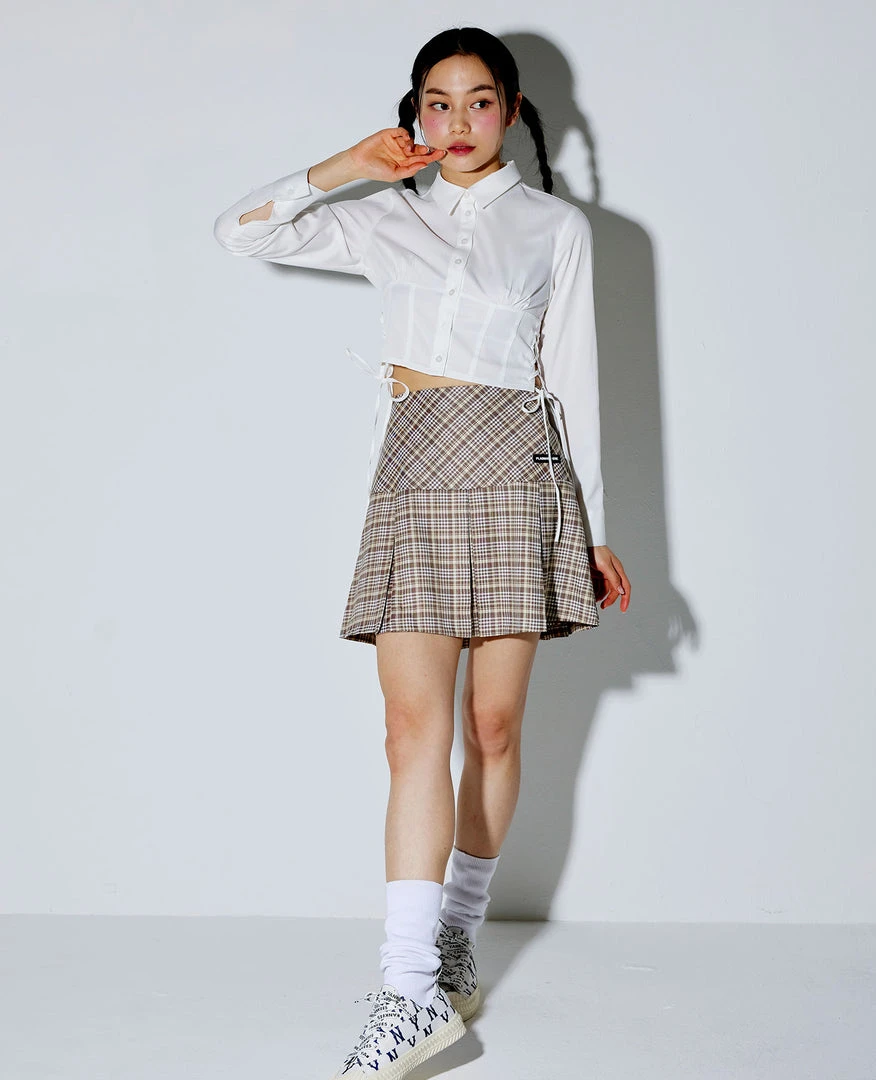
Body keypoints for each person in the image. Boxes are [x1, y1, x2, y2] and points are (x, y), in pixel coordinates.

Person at [213, 24, 631, 1080]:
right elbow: (239, 232)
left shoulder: (555, 227)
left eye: (480, 100)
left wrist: (594, 528)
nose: (459, 120)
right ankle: (407, 994)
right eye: (437, 102)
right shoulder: (385, 216)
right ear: (414, 113)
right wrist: (347, 166)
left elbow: (575, 379)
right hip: (415, 472)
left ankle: (455, 940)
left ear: (512, 110)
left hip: (519, 474)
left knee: (492, 725)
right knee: (412, 731)